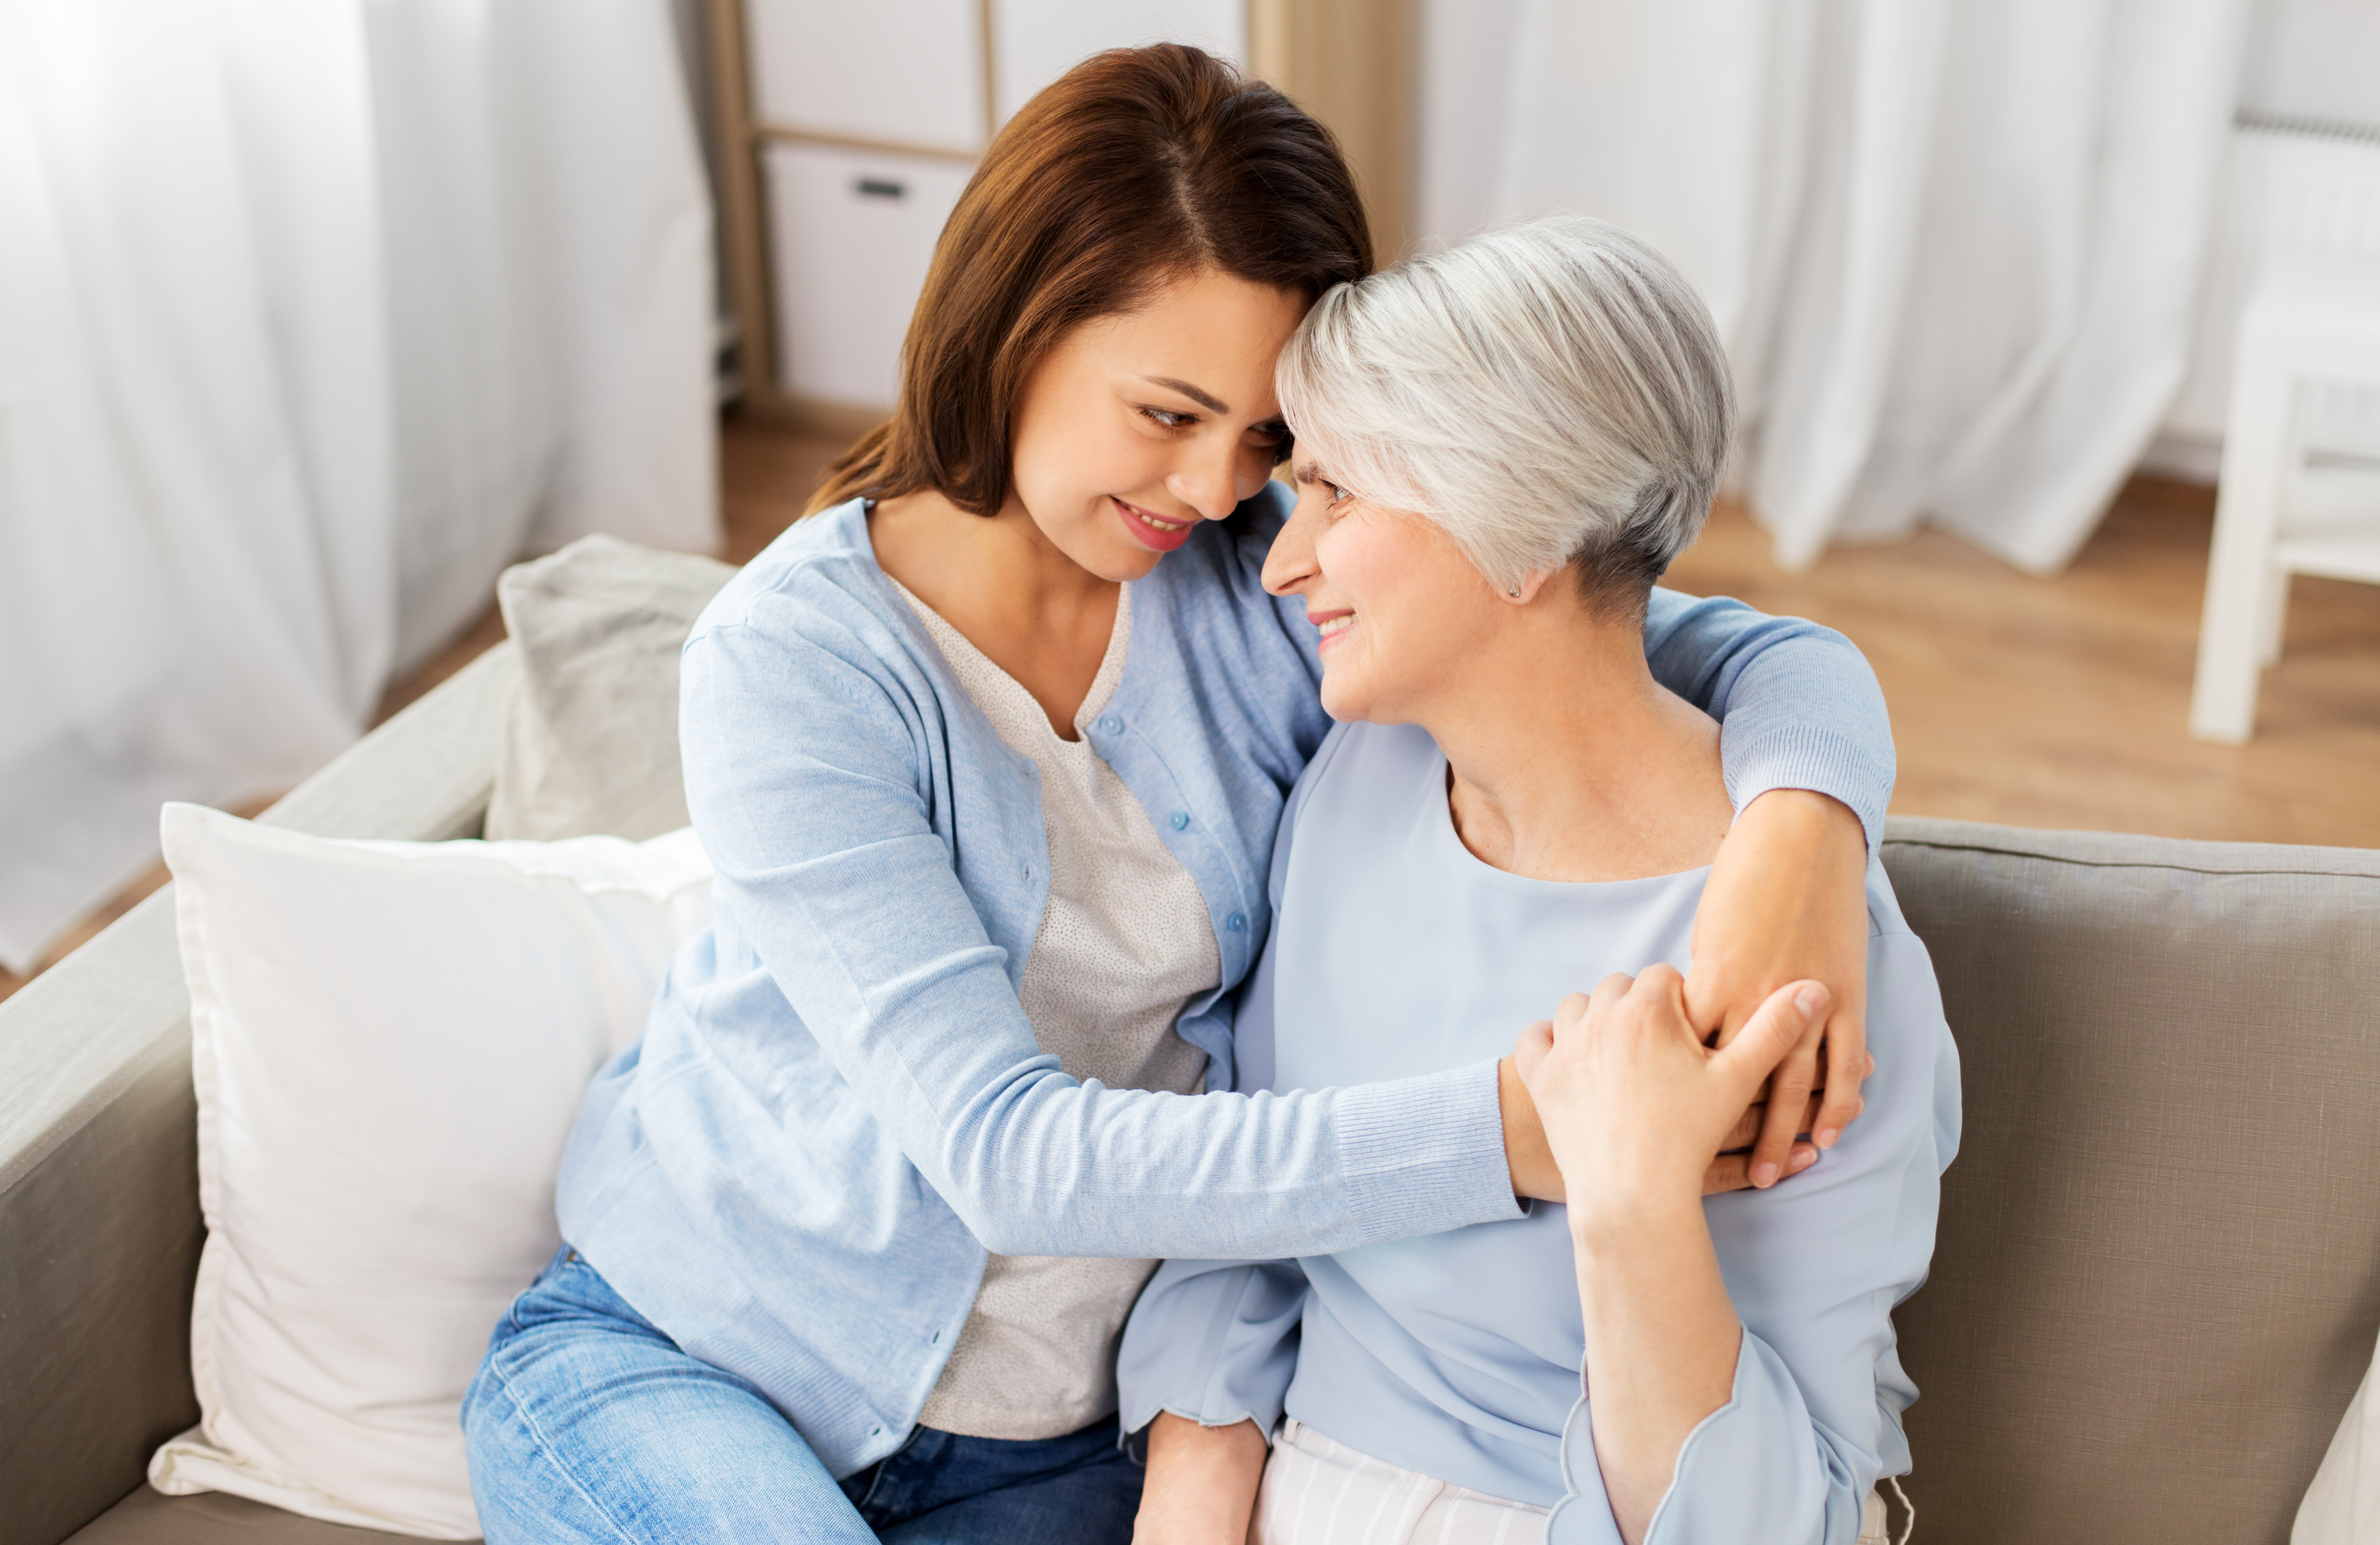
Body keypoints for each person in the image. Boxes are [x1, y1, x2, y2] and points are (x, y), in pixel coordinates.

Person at [461, 47, 1900, 1545]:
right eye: (1165, 414)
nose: (1220, 490)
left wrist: (1802, 827)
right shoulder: (795, 664)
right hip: (695, 1366)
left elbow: (1666, 630)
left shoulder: (1271, 593)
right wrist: (1523, 1134)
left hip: (1062, 1440)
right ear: (1015, 333)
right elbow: (1010, 1158)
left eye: (1267, 437)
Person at [1119, 216, 1961, 1545]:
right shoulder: (1357, 780)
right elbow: (1257, 1183)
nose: (1279, 561)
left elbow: (1770, 1521)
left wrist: (1632, 1209)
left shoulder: (1795, 960)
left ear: (1521, 530)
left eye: (1338, 496)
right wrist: (1194, 1471)